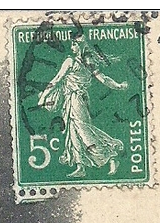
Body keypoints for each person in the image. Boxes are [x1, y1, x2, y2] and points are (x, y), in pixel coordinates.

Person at [38, 35, 129, 177]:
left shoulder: (75, 61)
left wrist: (43, 97)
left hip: (76, 99)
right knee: (73, 131)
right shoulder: (82, 62)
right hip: (72, 100)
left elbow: (56, 79)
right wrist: (118, 86)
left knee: (83, 130)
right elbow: (103, 79)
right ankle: (80, 166)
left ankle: (110, 156)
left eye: (73, 45)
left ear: (79, 46)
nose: (72, 47)